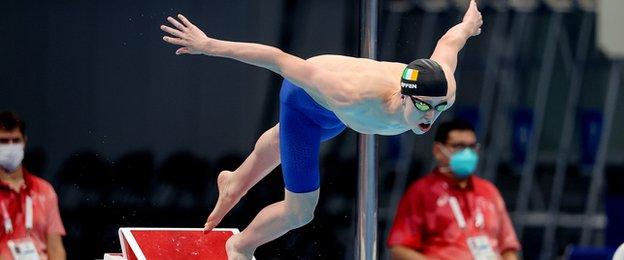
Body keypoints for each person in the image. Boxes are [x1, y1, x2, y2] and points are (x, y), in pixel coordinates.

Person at [160, 1, 483, 258]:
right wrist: (208, 45)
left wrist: (468, 25)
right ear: (404, 94)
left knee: (278, 141)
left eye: (441, 108)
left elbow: (449, 43)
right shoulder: (351, 93)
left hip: (338, 117)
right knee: (300, 212)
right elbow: (278, 58)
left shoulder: (442, 87)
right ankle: (241, 246)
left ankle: (235, 182)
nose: (432, 117)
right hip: (307, 104)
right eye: (425, 107)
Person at [387, 119, 520, 259]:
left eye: (472, 146)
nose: (467, 153)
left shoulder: (489, 190)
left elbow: (508, 248)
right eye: (459, 146)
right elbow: (400, 249)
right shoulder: (421, 192)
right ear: (438, 150)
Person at [0, 111, 66, 260]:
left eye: (16, 140)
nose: (10, 147)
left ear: (25, 141)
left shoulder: (44, 190)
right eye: (4, 141)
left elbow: (56, 249)